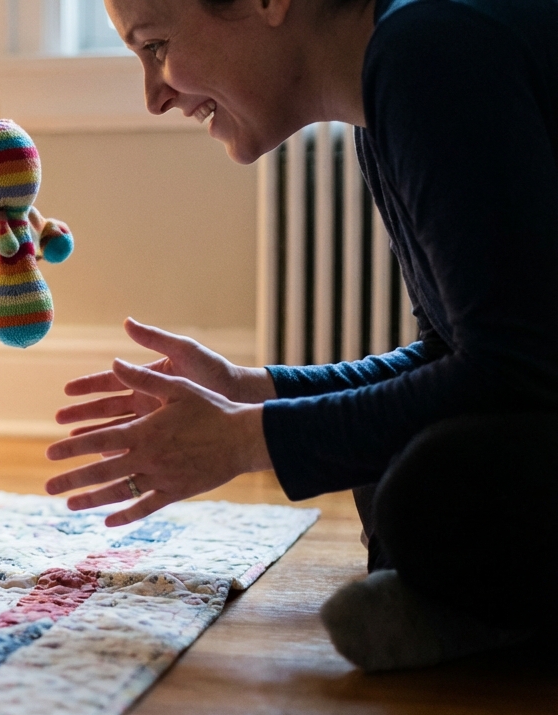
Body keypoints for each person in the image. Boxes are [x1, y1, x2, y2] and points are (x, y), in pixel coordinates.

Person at [47, 0, 557, 670]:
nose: (154, 95)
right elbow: (454, 353)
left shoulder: (430, 51)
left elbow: (513, 371)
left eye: (157, 44)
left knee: (430, 487)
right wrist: (255, 392)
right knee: (390, 458)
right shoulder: (391, 85)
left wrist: (242, 438)